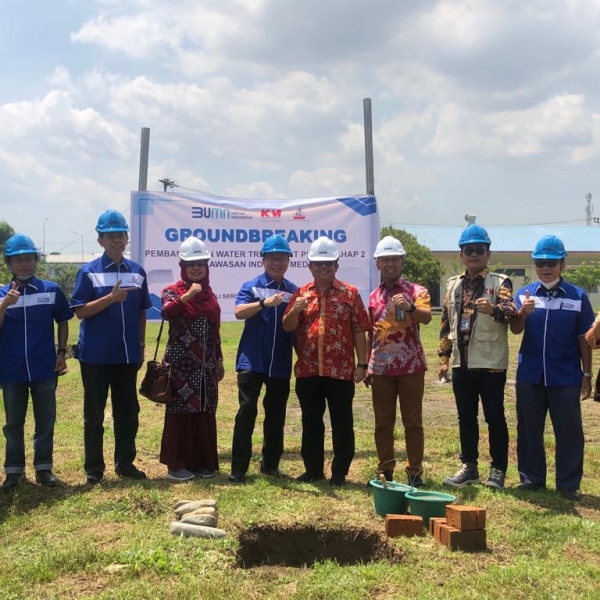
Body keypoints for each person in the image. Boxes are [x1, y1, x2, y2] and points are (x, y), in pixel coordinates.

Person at [71, 209, 152, 484]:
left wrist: (140, 345)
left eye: (121, 235)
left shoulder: (137, 272)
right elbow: (80, 312)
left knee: (128, 412)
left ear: (127, 238)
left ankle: (125, 464)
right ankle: (94, 470)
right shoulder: (88, 272)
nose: (117, 241)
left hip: (127, 355)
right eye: (110, 236)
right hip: (94, 356)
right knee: (94, 414)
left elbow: (142, 311)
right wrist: (110, 298)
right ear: (100, 240)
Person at [282, 236, 370, 486]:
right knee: (311, 423)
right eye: (318, 263)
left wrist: (362, 364)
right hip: (308, 371)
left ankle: (339, 473)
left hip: (341, 371)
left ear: (336, 265)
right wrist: (295, 310)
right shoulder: (300, 294)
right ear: (310, 265)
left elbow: (359, 330)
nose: (323, 267)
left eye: (328, 263)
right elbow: (288, 327)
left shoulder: (350, 294)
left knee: (343, 423)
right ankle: (313, 470)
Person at [511, 235, 594, 501]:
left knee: (569, 431)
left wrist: (587, 373)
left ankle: (568, 483)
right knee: (529, 428)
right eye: (540, 263)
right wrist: (521, 313)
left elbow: (585, 339)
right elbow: (515, 329)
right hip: (530, 374)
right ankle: (531, 478)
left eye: (551, 263)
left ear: (562, 264)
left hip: (566, 376)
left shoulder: (578, 297)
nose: (545, 268)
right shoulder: (524, 295)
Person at [438, 224, 515, 489]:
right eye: (468, 250)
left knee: (495, 417)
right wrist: (443, 358)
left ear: (488, 253)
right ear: (461, 255)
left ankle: (498, 469)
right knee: (466, 417)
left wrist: (494, 309)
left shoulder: (500, 282)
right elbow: (446, 323)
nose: (473, 255)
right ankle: (469, 467)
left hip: (491, 363)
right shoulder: (453, 285)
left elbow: (510, 312)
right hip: (462, 362)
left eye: (479, 250)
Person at [0, 234, 73, 489]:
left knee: (45, 421)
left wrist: (62, 353)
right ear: (9, 263)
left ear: (35, 261)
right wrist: (4, 306)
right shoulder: (1, 294)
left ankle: (44, 468)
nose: (24, 264)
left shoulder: (50, 290)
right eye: (18, 260)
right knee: (12, 424)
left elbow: (63, 321)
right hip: (11, 371)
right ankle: (13, 471)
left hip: (44, 368)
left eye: (29, 259)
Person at [229, 235, 297, 484]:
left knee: (276, 415)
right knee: (247, 412)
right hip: (252, 360)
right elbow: (238, 312)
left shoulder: (294, 291)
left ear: (289, 260)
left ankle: (270, 465)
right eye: (272, 258)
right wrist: (263, 303)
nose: (277, 262)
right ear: (263, 259)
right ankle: (238, 469)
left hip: (279, 362)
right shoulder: (252, 285)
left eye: (281, 257)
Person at [365, 236, 432, 488]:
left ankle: (414, 471)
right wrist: (369, 365)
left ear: (402, 261)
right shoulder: (373, 296)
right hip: (381, 369)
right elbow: (371, 333)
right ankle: (385, 471)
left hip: (411, 367)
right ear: (378, 264)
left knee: (412, 421)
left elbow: (426, 318)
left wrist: (411, 307)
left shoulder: (418, 291)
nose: (390, 264)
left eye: (394, 259)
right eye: (385, 260)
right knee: (383, 422)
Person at [160, 237, 224, 481]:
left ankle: (203, 462)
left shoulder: (209, 294)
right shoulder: (173, 291)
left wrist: (218, 360)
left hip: (205, 366)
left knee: (204, 409)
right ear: (182, 266)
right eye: (190, 264)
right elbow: (167, 312)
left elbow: (215, 331)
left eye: (200, 264)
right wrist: (186, 296)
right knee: (181, 411)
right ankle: (177, 466)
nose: (196, 268)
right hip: (181, 365)